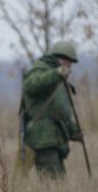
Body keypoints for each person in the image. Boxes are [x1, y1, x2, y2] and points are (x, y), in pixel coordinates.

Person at [21, 40, 83, 178]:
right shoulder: (41, 70)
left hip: (54, 140)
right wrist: (56, 74)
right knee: (52, 186)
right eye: (68, 62)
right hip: (42, 140)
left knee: (58, 187)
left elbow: (57, 110)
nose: (70, 66)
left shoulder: (57, 77)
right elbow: (31, 86)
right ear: (60, 58)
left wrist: (74, 131)